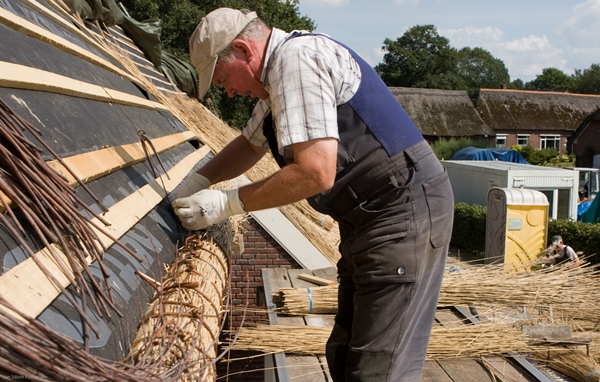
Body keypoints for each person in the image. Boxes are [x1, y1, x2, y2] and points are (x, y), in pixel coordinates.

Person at [172, 8, 454, 381]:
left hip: (403, 214)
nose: (230, 91)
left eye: (223, 78)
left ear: (243, 49)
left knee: (378, 369)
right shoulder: (275, 84)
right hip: (368, 220)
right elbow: (248, 146)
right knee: (345, 353)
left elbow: (315, 172)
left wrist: (227, 203)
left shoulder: (297, 61)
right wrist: (195, 182)